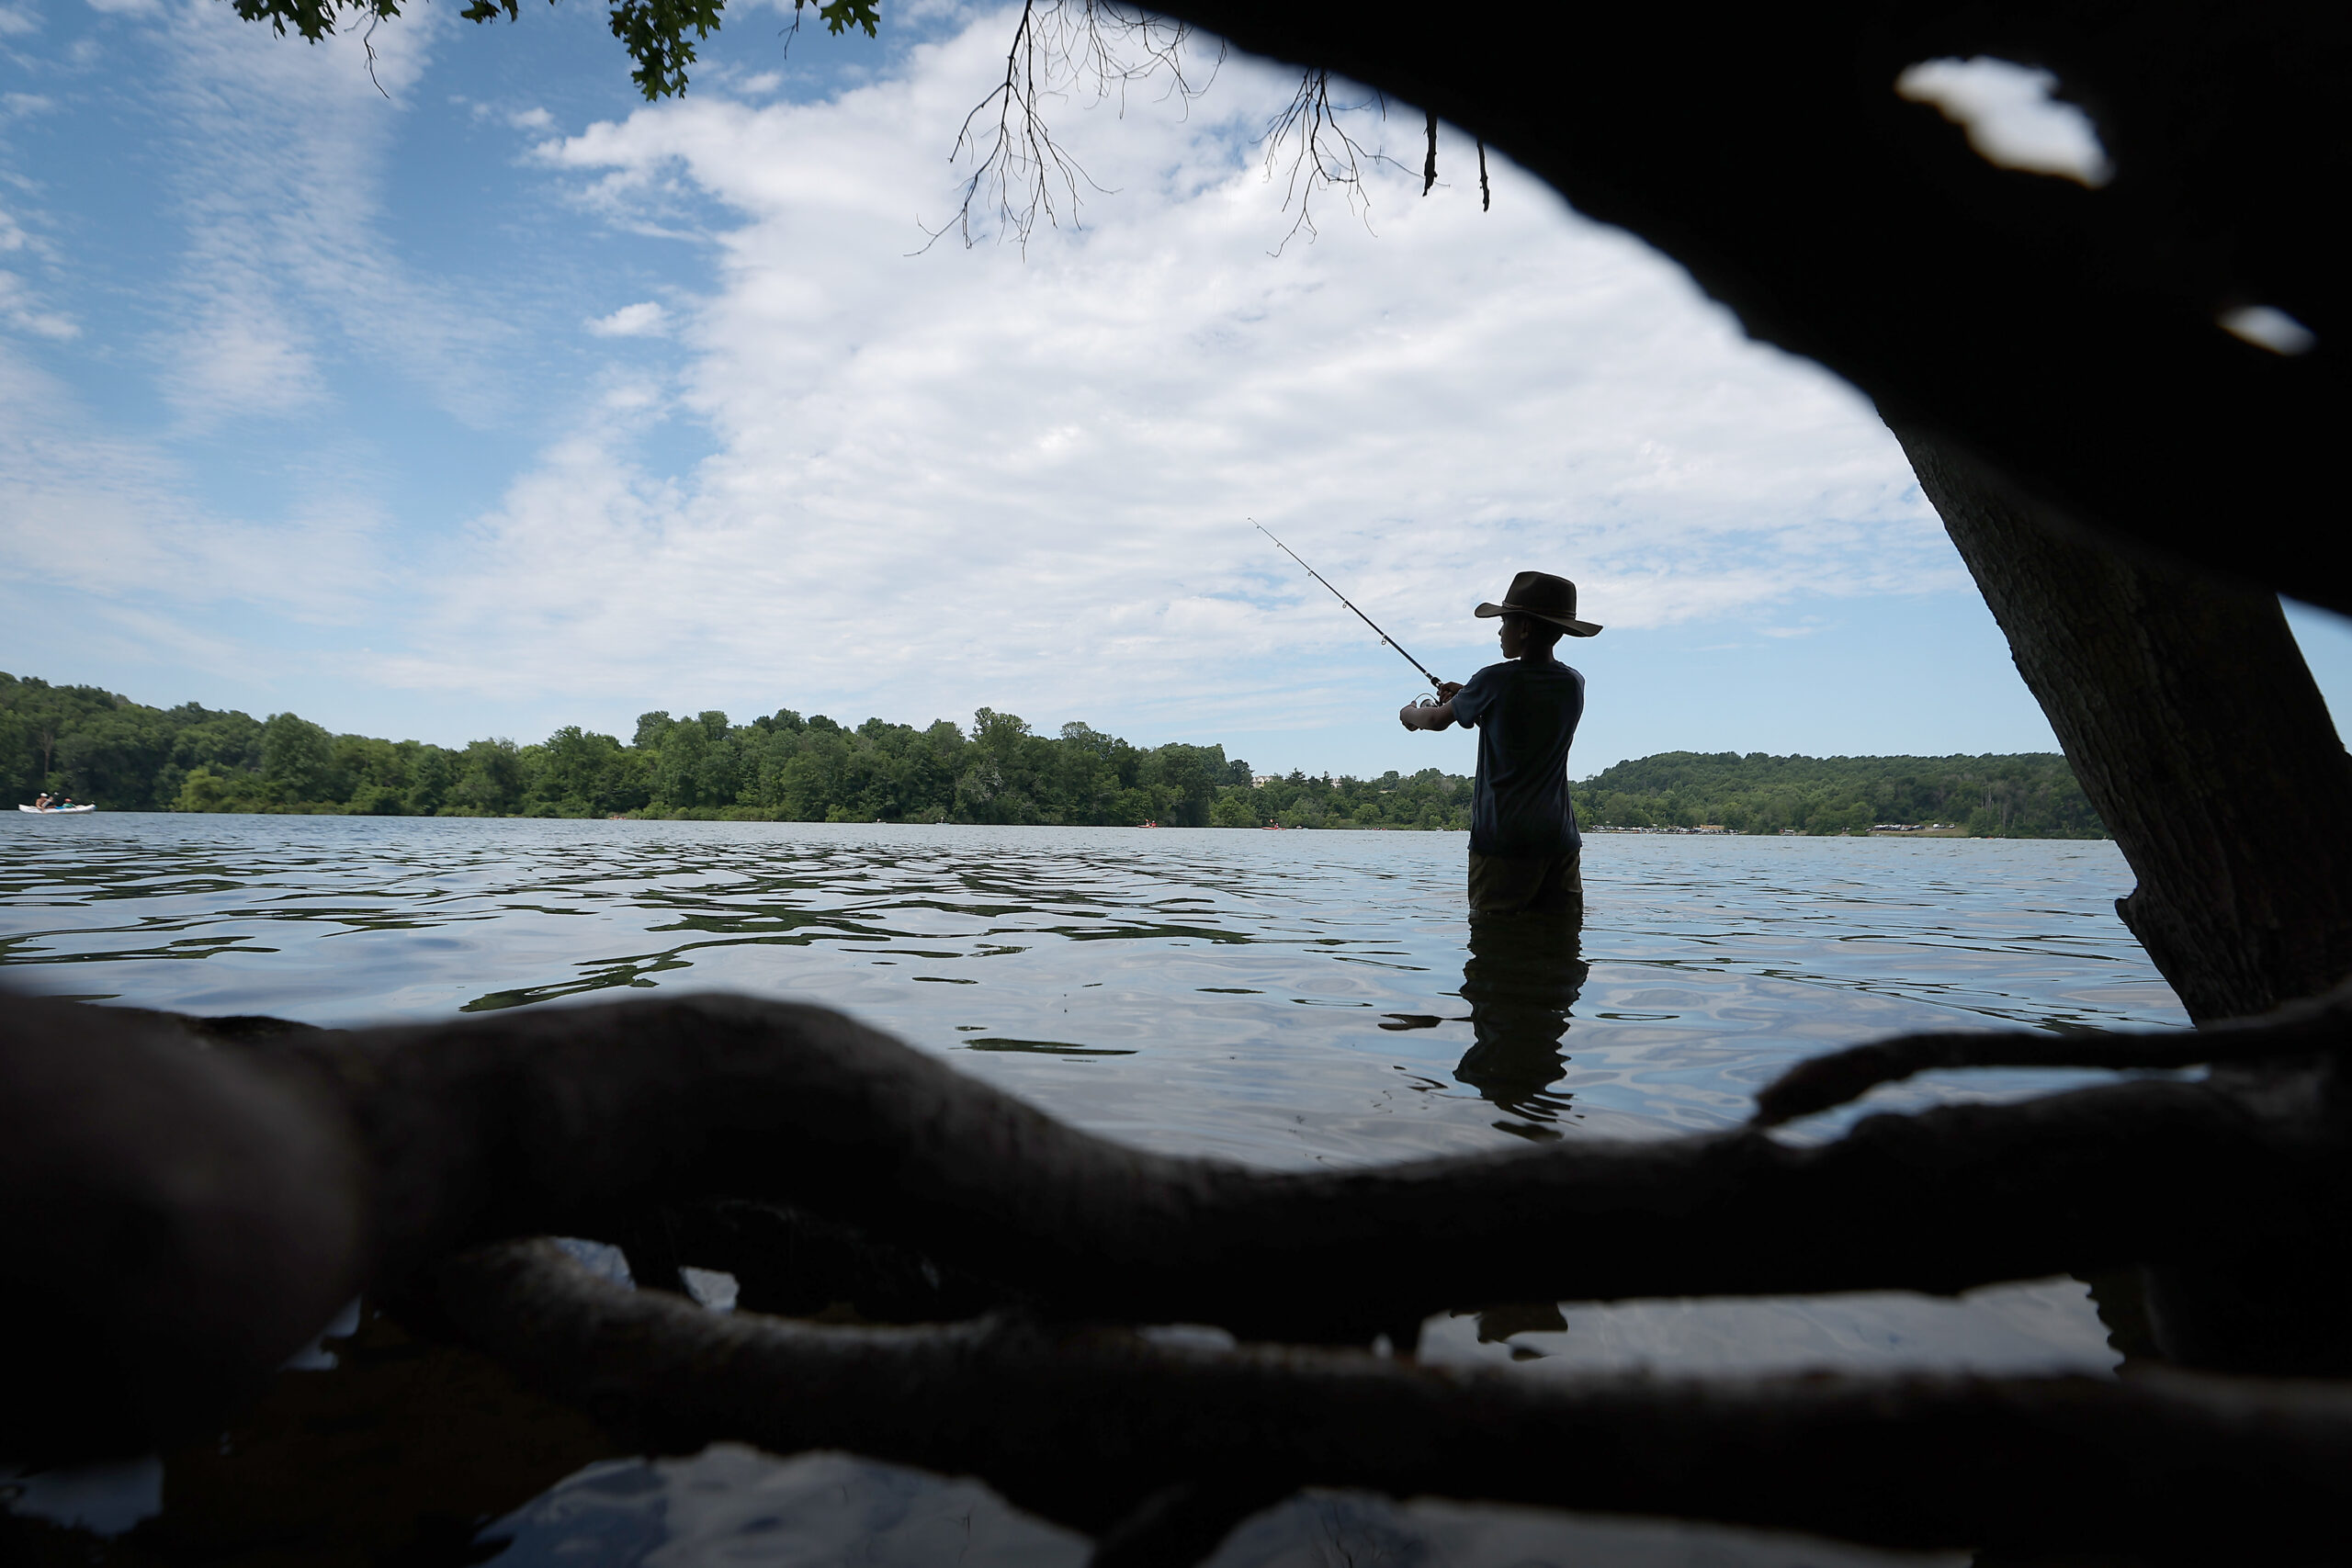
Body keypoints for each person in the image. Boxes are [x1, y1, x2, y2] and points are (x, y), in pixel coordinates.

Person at [1399, 570, 1600, 917]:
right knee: (1562, 935)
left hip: (1502, 842)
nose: (1499, 631)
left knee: (1493, 936)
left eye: (1505, 622)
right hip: (1559, 840)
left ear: (1524, 628)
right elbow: (1519, 718)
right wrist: (1469, 695)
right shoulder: (1573, 683)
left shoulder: (1493, 680)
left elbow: (1434, 721)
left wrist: (1409, 713)